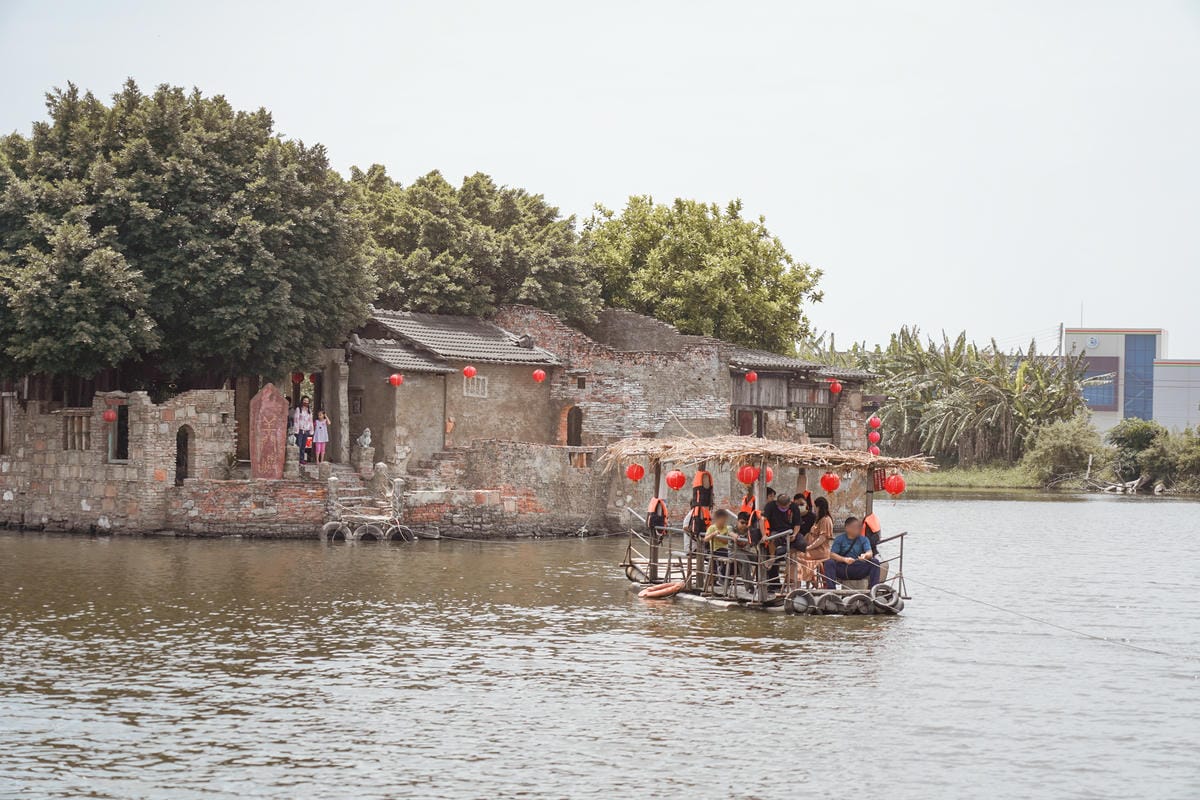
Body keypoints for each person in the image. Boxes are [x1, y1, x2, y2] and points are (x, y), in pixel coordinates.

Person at [823, 516, 881, 589]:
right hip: (843, 568)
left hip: (858, 567)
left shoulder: (864, 539)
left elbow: (869, 552)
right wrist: (844, 559)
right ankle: (831, 590)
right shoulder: (839, 539)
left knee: (875, 562)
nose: (858, 529)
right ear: (847, 528)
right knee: (829, 562)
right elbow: (832, 554)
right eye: (855, 527)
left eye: (859, 527)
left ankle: (873, 589)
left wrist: (865, 556)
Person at [793, 495, 833, 587]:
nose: (814, 509)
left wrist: (809, 547)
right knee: (794, 555)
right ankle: (803, 582)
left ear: (819, 507)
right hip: (813, 548)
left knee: (798, 558)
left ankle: (806, 583)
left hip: (820, 551)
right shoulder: (818, 520)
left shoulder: (826, 520)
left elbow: (822, 538)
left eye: (815, 507)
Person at [294, 397, 314, 464]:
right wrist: (296, 430)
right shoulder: (298, 409)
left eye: (307, 401)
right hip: (300, 430)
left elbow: (310, 421)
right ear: (302, 401)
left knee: (304, 446)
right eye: (304, 400)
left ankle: (302, 459)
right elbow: (296, 420)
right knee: (298, 445)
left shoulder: (309, 410)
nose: (306, 402)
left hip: (307, 430)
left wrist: (311, 430)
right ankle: (297, 459)